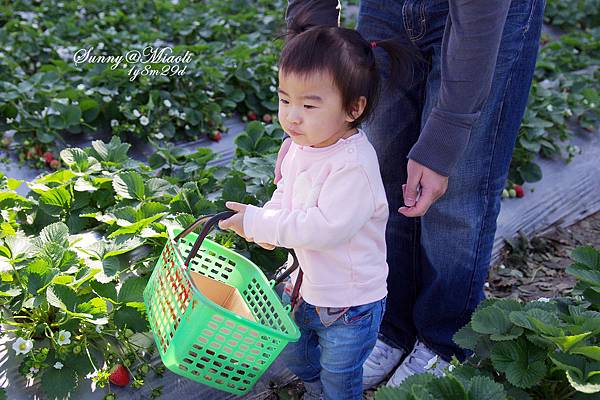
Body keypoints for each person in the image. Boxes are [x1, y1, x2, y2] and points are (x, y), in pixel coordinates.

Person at [279, 0, 545, 389]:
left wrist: (445, 137)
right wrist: (307, 73)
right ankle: (391, 326)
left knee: (456, 190)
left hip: (485, 14)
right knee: (384, 170)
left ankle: (444, 339)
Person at [218, 9, 413, 400]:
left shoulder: (353, 166)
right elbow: (286, 194)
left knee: (341, 376)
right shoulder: (301, 146)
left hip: (350, 303)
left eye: (308, 106)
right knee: (295, 354)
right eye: (284, 99)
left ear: (352, 109)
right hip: (303, 287)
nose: (291, 116)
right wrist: (267, 220)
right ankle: (316, 389)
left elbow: (324, 228)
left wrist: (261, 224)